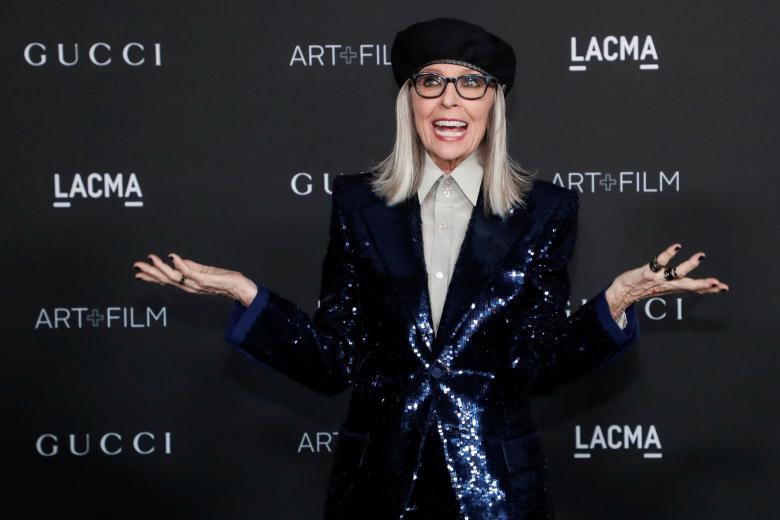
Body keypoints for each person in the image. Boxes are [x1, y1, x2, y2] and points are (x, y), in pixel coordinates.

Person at [132, 17, 729, 520]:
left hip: (496, 488)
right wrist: (247, 296)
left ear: (494, 101)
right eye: (432, 82)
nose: (450, 100)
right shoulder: (358, 205)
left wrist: (616, 301)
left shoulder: (544, 211)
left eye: (471, 83)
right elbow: (335, 360)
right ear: (409, 100)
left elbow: (536, 365)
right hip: (377, 485)